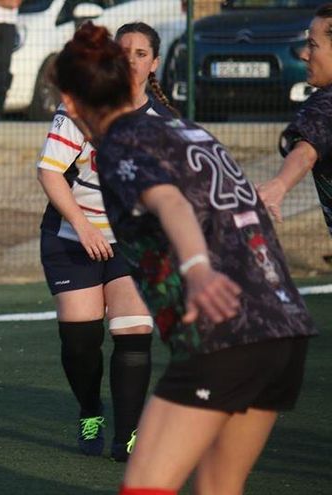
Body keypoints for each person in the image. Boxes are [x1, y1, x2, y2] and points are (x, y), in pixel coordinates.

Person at [52, 23, 317, 494]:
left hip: (224, 332)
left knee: (146, 486)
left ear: (71, 103)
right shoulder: (180, 127)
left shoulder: (120, 145)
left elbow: (170, 201)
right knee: (219, 487)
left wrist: (195, 270)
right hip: (283, 327)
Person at [36, 21, 177, 462]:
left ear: (154, 64)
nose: (131, 60)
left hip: (132, 240)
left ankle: (128, 436)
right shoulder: (79, 107)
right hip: (71, 235)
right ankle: (90, 409)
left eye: (141, 54)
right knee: (80, 339)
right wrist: (82, 224)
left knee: (132, 331)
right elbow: (49, 172)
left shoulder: (165, 122)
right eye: (124, 52)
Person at [258, 4, 332, 235]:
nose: (303, 54)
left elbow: (305, 152)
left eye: (313, 45)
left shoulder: (326, 104)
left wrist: (279, 184)